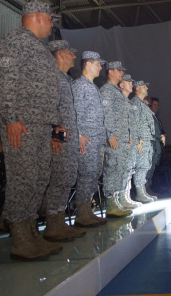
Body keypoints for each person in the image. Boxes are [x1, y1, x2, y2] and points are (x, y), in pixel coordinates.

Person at [0, 1, 63, 260]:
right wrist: (11, 117)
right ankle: (20, 237)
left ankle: (32, 232)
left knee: (39, 177)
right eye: (50, 18)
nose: (53, 24)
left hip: (41, 125)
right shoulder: (14, 40)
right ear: (36, 17)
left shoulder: (40, 49)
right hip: (22, 123)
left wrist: (55, 125)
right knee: (23, 177)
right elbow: (3, 79)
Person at [41, 40, 86, 242]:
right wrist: (53, 134)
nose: (74, 56)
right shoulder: (50, 77)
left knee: (66, 179)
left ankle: (60, 222)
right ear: (60, 55)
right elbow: (46, 107)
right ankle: (53, 224)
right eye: (71, 53)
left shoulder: (65, 79)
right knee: (58, 181)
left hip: (69, 139)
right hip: (58, 140)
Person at [72, 51, 108, 227]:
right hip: (86, 140)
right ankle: (81, 213)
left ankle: (87, 210)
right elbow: (74, 113)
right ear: (88, 64)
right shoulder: (79, 86)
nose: (100, 67)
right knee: (86, 175)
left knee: (93, 175)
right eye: (98, 63)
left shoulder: (92, 87)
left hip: (96, 140)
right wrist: (78, 135)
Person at [101, 65, 137, 217]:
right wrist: (110, 135)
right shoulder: (107, 90)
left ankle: (117, 199)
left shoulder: (116, 91)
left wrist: (128, 135)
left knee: (120, 169)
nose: (122, 72)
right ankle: (110, 203)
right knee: (112, 169)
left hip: (121, 138)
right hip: (114, 138)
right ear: (110, 72)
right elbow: (106, 113)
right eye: (119, 70)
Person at [131, 80, 157, 202]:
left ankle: (143, 190)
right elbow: (134, 123)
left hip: (147, 140)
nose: (146, 88)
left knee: (145, 166)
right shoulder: (135, 103)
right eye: (144, 86)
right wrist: (138, 140)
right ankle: (139, 192)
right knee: (141, 166)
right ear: (137, 89)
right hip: (142, 141)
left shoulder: (143, 104)